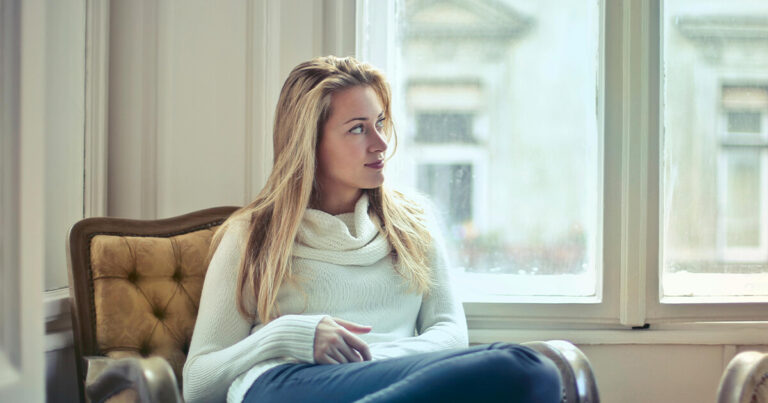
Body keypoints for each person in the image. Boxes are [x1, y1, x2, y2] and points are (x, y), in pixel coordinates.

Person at [182, 56, 562, 403]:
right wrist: (289, 335)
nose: (380, 143)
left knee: (533, 369)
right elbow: (198, 382)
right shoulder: (251, 235)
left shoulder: (413, 222)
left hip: (395, 377)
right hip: (287, 383)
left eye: (379, 123)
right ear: (309, 143)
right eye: (357, 129)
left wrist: (372, 360)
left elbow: (450, 333)